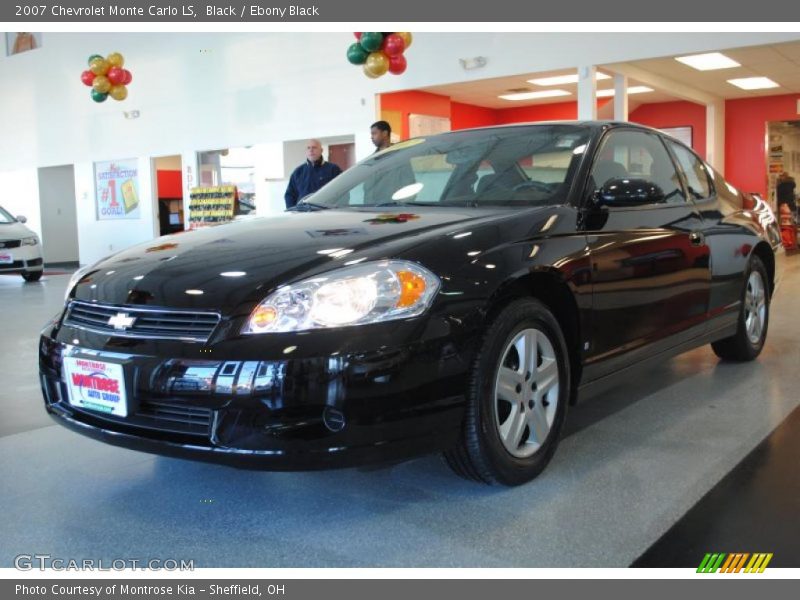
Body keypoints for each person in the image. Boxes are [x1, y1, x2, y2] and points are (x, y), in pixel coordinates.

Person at [284, 139, 342, 209]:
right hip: (303, 214)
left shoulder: (333, 169)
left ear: (321, 150)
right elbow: (289, 195)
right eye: (308, 148)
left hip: (327, 213)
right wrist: (292, 211)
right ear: (306, 151)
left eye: (314, 147)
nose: (311, 150)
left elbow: (343, 191)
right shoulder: (298, 172)